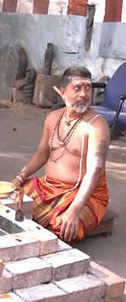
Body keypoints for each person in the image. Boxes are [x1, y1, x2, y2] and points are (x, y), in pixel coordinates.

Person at [10, 66, 110, 243]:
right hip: (48, 186)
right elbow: (42, 152)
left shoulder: (97, 125)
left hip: (85, 193)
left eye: (88, 88)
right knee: (10, 202)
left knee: (62, 226)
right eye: (77, 88)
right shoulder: (53, 118)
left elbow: (94, 171)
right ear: (62, 91)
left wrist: (74, 210)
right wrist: (19, 178)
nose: (83, 94)